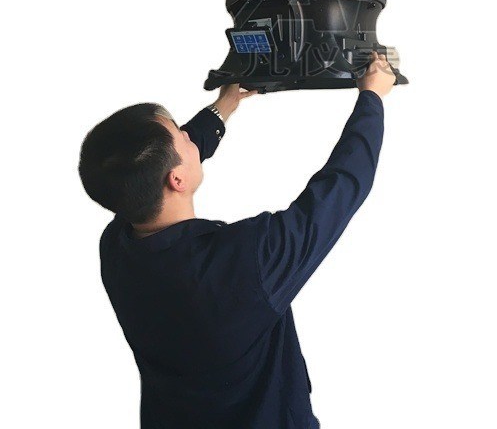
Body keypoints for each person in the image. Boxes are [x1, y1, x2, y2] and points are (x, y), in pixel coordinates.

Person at [79, 52, 396, 428]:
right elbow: (341, 188)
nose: (188, 135)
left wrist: (224, 106)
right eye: (181, 135)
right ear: (176, 180)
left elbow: (155, 168)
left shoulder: (117, 245)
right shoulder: (249, 261)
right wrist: (372, 97)